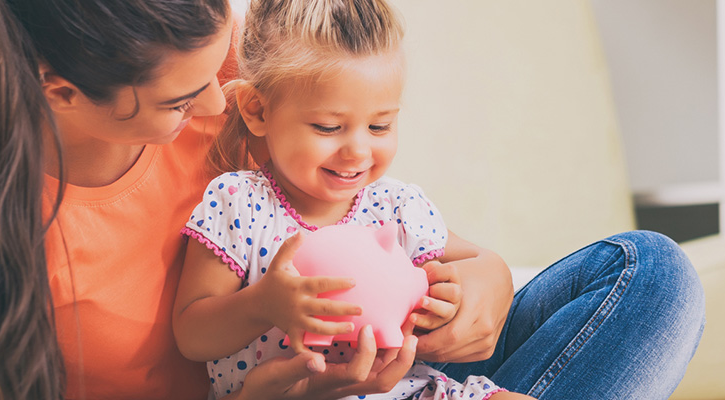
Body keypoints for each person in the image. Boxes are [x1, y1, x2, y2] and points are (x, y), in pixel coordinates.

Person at [0, 0, 706, 398]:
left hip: (393, 364)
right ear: (62, 90)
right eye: (181, 103)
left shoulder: (207, 54)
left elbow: (398, 226)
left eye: (222, 76)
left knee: (651, 276)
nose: (220, 112)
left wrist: (485, 280)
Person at [172, 1, 531, 399]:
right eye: (329, 127)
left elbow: (455, 278)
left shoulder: (398, 206)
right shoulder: (237, 204)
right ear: (258, 110)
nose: (358, 151)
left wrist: (444, 304)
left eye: (380, 125)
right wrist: (262, 304)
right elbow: (192, 336)